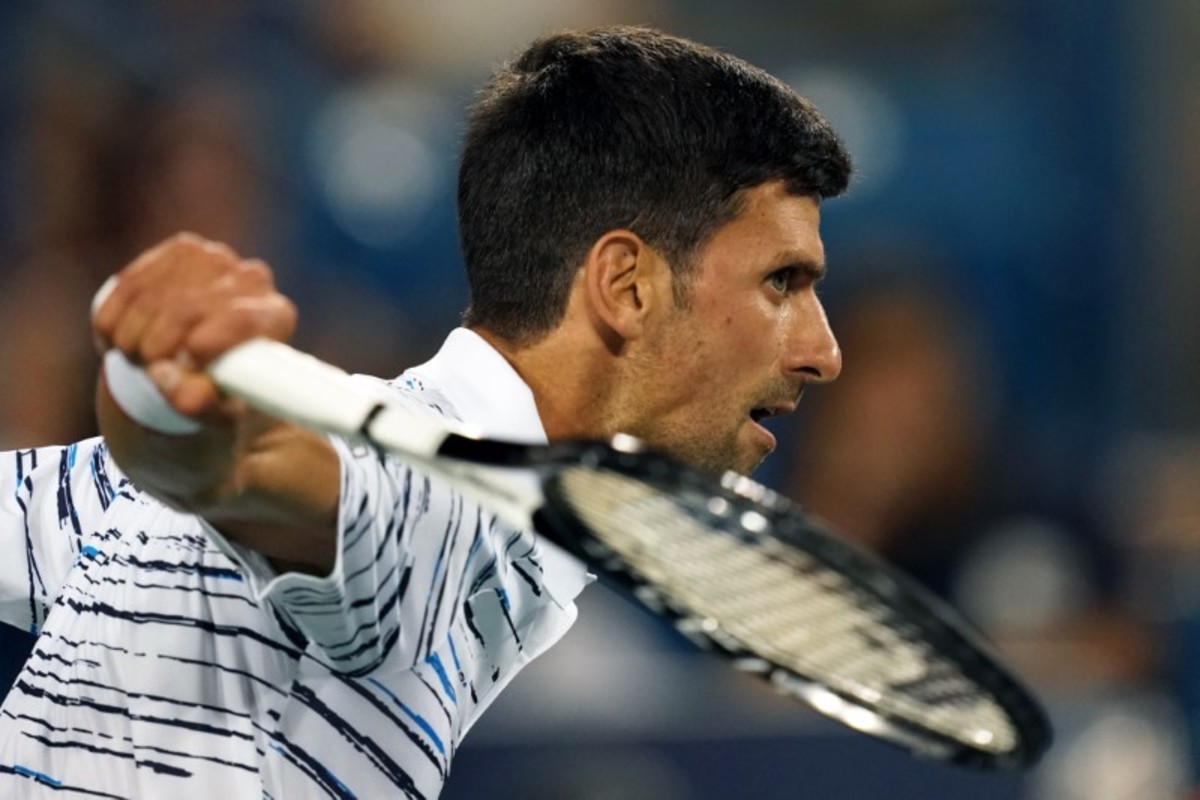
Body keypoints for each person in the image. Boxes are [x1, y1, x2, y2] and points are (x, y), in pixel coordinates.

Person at [0, 25, 851, 798]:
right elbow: (299, 491)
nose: (823, 352)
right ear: (626, 286)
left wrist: (170, 426)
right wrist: (173, 415)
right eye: (782, 281)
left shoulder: (484, 518)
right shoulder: (446, 498)